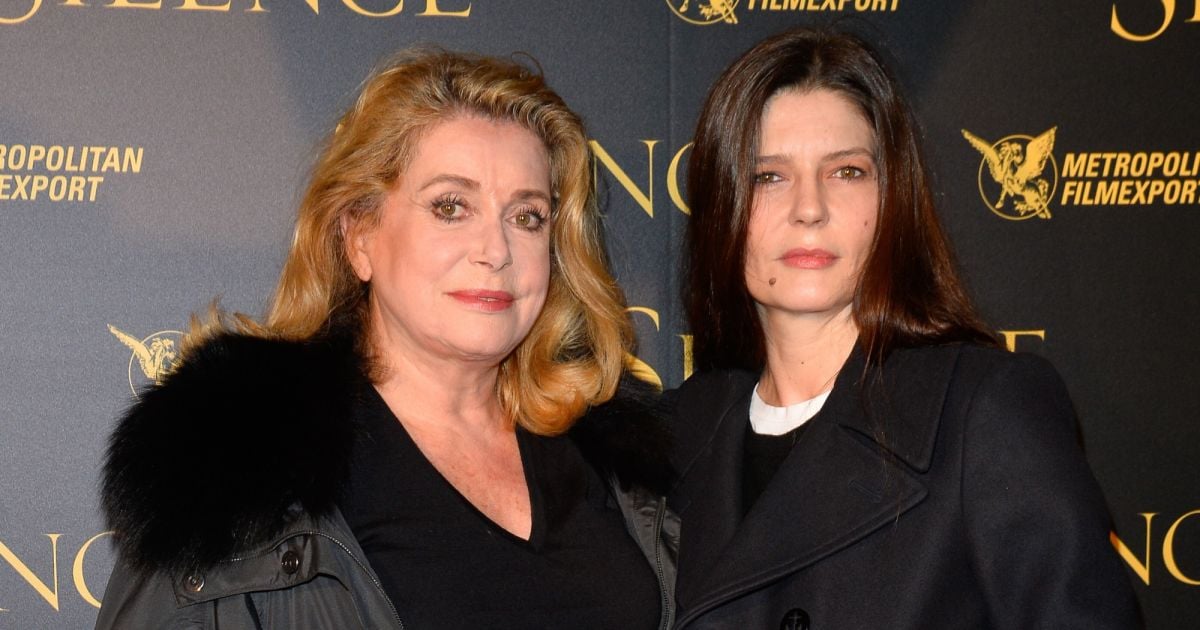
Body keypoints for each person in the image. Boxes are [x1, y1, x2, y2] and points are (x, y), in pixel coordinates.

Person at [95, 49, 676, 630]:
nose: (496, 251)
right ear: (360, 237)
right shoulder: (236, 465)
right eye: (451, 207)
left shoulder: (618, 460)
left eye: (527, 216)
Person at [667, 27, 1141, 629]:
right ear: (720, 205)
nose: (809, 209)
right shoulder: (680, 437)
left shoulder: (982, 411)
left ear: (893, 199)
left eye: (847, 172)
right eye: (769, 177)